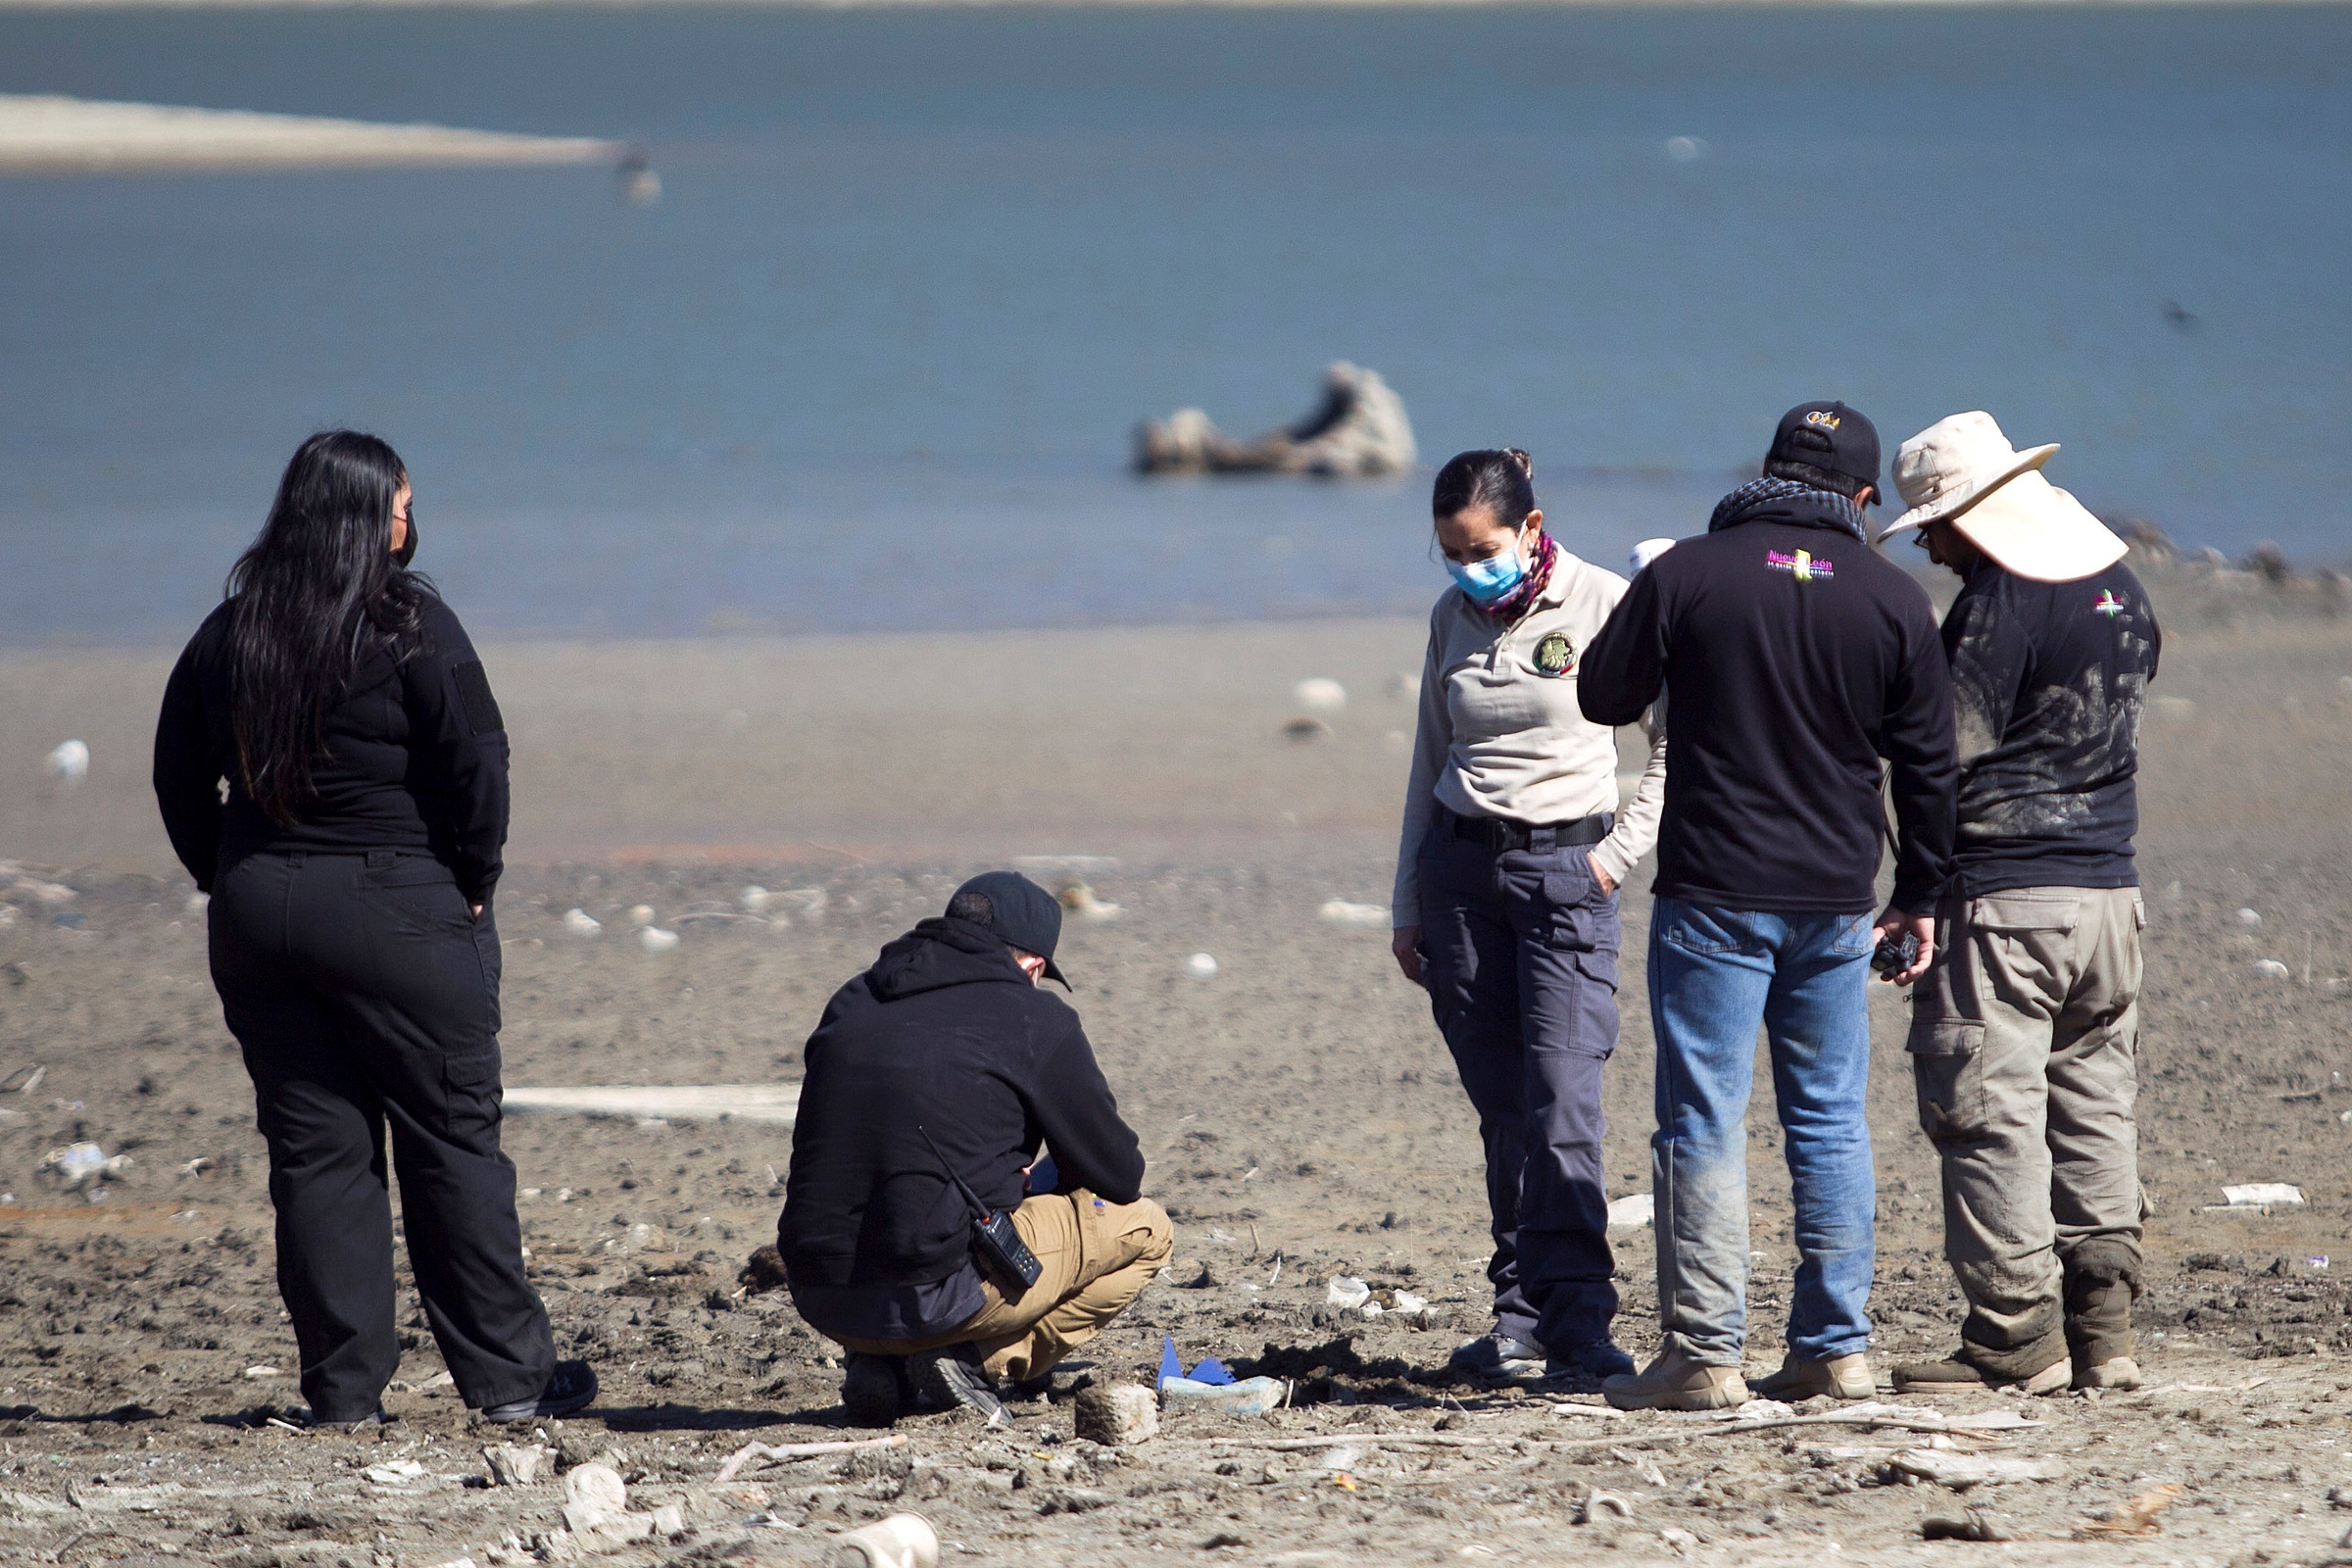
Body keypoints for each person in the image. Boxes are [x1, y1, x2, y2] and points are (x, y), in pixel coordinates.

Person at [152, 431, 593, 1428]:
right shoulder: (413, 627)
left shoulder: (232, 633)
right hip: (399, 904)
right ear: (361, 517)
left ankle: (344, 1392)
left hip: (264, 910)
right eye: (398, 503)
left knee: (318, 1155)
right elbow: (481, 762)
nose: (409, 520)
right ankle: (509, 1380)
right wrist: (474, 879)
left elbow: (177, 773)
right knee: (451, 1143)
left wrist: (224, 872)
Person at [1579, 402, 1958, 1410]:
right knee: (1830, 1122)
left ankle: (1705, 1354)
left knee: (1703, 1117)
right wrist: (1920, 892)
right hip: (1837, 894)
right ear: (1864, 497)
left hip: (1712, 886)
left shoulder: (1689, 571)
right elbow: (1927, 765)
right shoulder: (1891, 595)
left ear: (1767, 469)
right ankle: (1837, 1348)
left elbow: (1603, 695)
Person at [1876, 413, 2160, 1396]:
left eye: (1936, 524)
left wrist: (1914, 890)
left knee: (1984, 1107)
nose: (1931, 543)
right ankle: (2106, 1336)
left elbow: (1940, 755)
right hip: (2110, 895)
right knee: (2094, 1103)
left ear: (1978, 514)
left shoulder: (2001, 601)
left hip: (2004, 895)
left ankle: (2013, 1336)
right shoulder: (2121, 588)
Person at [1390, 449, 1667, 1387]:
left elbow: (1678, 743)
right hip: (1460, 879)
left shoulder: (1606, 603)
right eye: (1450, 552)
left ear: (1532, 530)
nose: (1469, 568)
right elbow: (1431, 756)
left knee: (1563, 1103)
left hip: (1568, 874)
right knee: (1503, 1107)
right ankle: (1518, 1319)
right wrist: (1406, 903)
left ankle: (1580, 1322)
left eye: (1483, 549)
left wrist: (1614, 857)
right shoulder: (1449, 617)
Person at [777, 871, 1172, 1427]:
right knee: (1149, 1229)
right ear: (1033, 965)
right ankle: (972, 1361)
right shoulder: (1036, 1019)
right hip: (937, 1296)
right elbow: (1120, 1174)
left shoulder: (852, 999)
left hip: (821, 1294)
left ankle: (881, 1366)